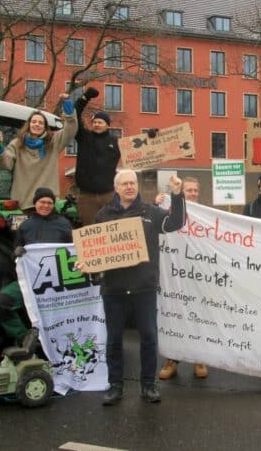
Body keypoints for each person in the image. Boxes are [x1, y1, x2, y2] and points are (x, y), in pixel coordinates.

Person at [89, 170, 186, 405]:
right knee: (113, 340)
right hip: (114, 289)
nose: (130, 187)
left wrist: (177, 194)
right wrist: (90, 267)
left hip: (144, 287)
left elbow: (176, 222)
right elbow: (93, 249)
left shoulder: (150, 212)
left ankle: (149, 385)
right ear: (117, 188)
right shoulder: (103, 215)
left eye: (133, 183)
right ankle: (115, 386)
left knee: (149, 337)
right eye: (125, 184)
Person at [0, 187, 73, 343]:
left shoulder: (63, 224)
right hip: (30, 280)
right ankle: (26, 339)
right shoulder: (25, 225)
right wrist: (17, 251)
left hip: (56, 282)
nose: (46, 206)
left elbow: (73, 250)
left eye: (50, 203)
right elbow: (15, 250)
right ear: (35, 203)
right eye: (42, 202)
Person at [155, 176, 209, 380]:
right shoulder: (169, 210)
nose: (193, 193)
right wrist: (156, 203)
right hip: (173, 273)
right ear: (181, 192)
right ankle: (172, 360)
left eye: (196, 190)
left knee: (199, 316)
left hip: (199, 275)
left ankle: (199, 358)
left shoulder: (207, 217)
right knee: (173, 317)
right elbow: (153, 224)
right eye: (189, 190)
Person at [0, 93, 78, 210]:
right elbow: (5, 164)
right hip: (22, 201)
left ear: (45, 127)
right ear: (28, 125)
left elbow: (70, 130)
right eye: (34, 122)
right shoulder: (17, 143)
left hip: (47, 202)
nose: (37, 125)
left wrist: (68, 108)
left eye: (41, 123)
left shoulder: (53, 143)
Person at [73, 86, 120, 225]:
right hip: (86, 196)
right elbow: (74, 115)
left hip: (108, 195)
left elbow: (138, 149)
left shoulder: (115, 142)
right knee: (89, 231)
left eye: (100, 122)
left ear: (108, 125)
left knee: (111, 229)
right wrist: (85, 97)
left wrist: (151, 136)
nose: (97, 124)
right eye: (94, 122)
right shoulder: (84, 137)